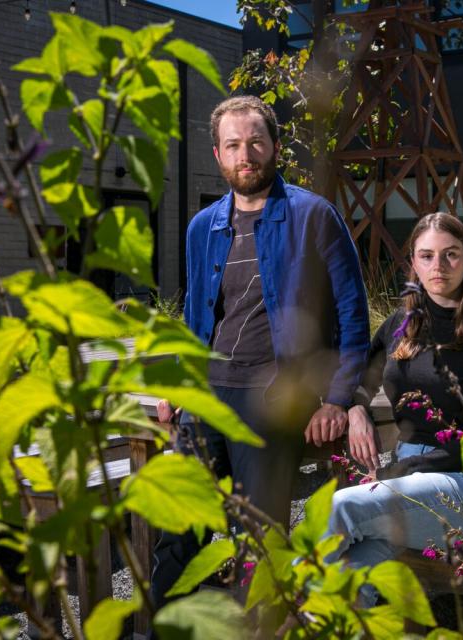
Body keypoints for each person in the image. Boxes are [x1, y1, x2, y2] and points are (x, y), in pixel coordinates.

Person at [150, 95, 370, 607]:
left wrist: (338, 398)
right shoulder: (202, 227)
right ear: (218, 154)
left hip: (272, 398)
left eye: (255, 142)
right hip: (207, 398)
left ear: (274, 146)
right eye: (233, 145)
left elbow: (353, 315)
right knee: (176, 532)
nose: (245, 154)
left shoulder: (314, 216)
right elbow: (198, 317)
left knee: (260, 541)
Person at [326, 212, 463, 605]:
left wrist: (397, 471)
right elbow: (361, 381)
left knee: (343, 504)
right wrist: (357, 410)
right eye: (427, 256)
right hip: (408, 483)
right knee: (346, 581)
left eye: (451, 255)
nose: (439, 267)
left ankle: (275, 617)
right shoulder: (400, 324)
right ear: (413, 262)